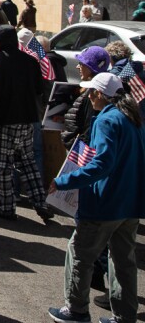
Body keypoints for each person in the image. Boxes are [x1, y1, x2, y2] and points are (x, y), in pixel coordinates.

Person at [47, 73, 144, 323]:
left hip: (105, 202)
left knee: (79, 253)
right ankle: (124, 315)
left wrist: (62, 181)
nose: (88, 96)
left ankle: (76, 310)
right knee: (123, 260)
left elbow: (101, 164)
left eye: (91, 92)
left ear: (100, 94)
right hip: (130, 202)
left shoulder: (108, 120)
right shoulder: (133, 117)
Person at [0, 26, 53, 222]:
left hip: (6, 121)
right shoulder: (31, 61)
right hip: (28, 119)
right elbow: (39, 90)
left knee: (5, 166)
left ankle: (7, 207)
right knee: (28, 162)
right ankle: (41, 202)